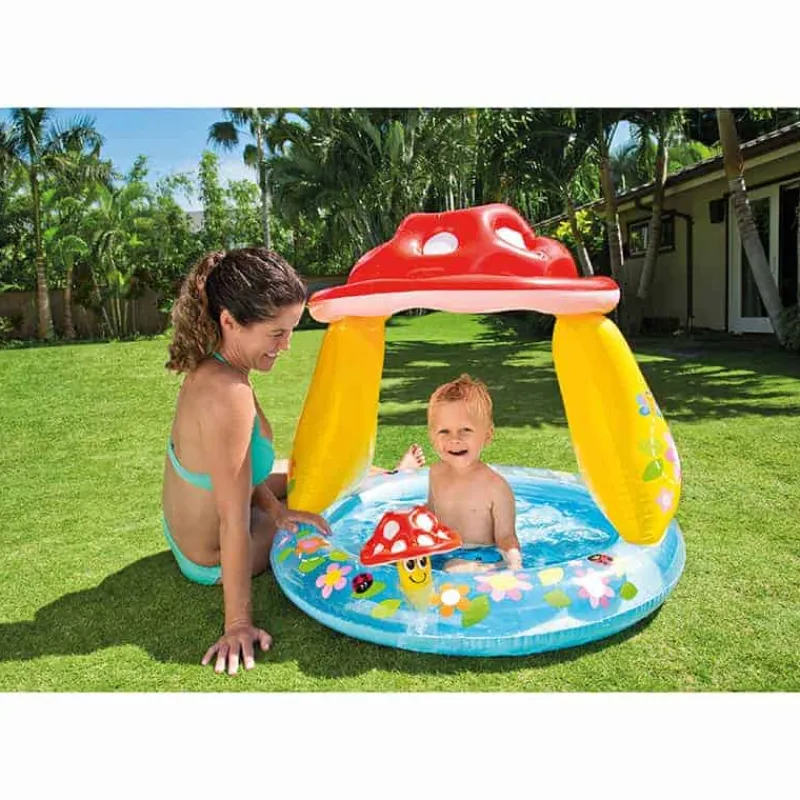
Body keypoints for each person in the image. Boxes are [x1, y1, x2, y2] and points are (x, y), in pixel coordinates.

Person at [162, 248, 424, 675]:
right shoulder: (227, 394)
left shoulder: (220, 367)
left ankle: (390, 474)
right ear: (229, 321)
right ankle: (389, 479)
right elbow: (232, 520)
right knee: (325, 497)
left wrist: (277, 509)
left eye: (290, 331)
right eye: (276, 333)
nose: (286, 345)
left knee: (309, 471)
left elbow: (237, 470)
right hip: (209, 555)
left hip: (188, 526)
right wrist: (237, 623)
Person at [425, 374, 522, 573]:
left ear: (487, 435)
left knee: (453, 568)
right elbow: (431, 517)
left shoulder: (496, 487)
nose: (454, 439)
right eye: (444, 431)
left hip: (482, 555)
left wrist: (515, 567)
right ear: (432, 437)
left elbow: (506, 538)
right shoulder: (435, 473)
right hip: (443, 549)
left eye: (465, 430)